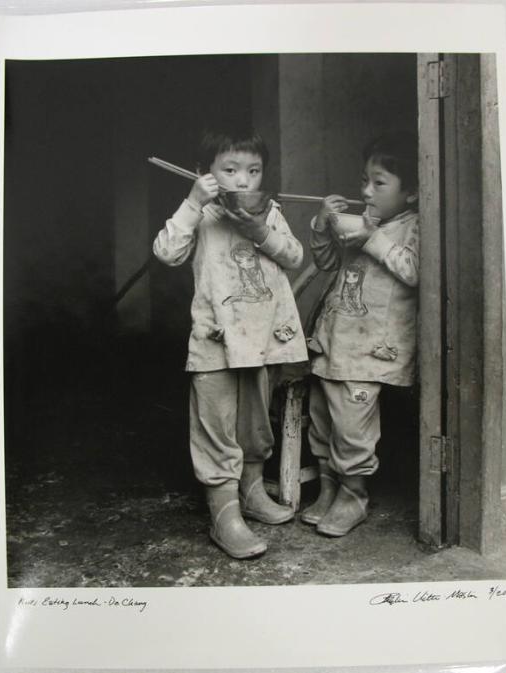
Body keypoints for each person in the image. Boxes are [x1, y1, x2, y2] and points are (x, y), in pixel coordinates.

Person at [153, 127, 308, 558]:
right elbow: (167, 252)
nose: (243, 181)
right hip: (215, 340)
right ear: (205, 174)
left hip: (262, 340)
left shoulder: (270, 212)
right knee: (216, 426)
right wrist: (191, 202)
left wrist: (260, 231)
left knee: (256, 423)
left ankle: (253, 493)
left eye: (253, 171)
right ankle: (225, 516)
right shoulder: (201, 212)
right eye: (231, 170)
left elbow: (295, 257)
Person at [302, 130, 419, 537]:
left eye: (379, 182)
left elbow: (415, 272)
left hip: (371, 350)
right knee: (321, 421)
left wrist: (372, 238)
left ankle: (354, 495)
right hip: (334, 341)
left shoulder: (412, 228)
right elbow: (327, 263)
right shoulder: (364, 222)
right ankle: (329, 487)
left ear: (412, 193)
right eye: (364, 180)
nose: (366, 191)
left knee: (352, 428)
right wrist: (321, 224)